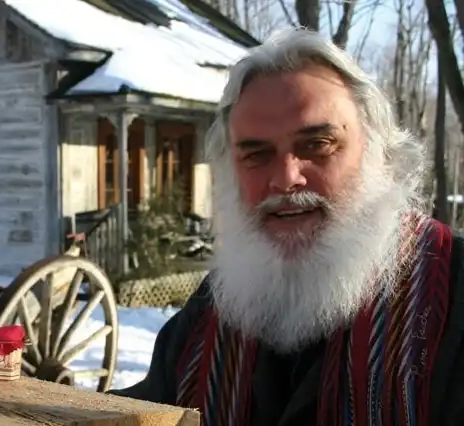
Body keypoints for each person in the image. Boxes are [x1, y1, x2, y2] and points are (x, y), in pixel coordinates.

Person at [108, 28, 464, 426]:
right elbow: (148, 413)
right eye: (257, 154)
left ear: (378, 152)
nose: (285, 178)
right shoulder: (216, 307)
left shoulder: (456, 290)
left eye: (318, 144)